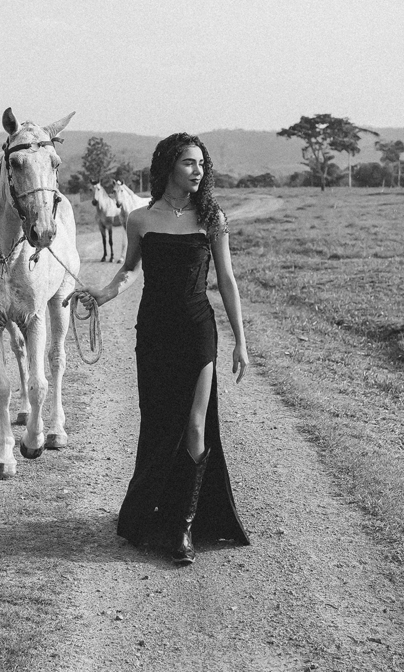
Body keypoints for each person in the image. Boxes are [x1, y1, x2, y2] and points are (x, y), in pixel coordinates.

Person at [67, 133, 251, 565]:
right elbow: (129, 271)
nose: (198, 170)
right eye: (190, 163)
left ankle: (183, 527)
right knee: (157, 422)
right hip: (153, 332)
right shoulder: (140, 220)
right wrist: (101, 294)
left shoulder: (212, 218)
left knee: (194, 423)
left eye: (202, 164)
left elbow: (226, 281)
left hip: (196, 331)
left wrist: (241, 341)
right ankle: (153, 511)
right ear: (168, 166)